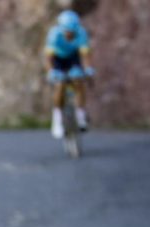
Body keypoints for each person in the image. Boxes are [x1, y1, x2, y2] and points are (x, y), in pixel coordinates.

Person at [45, 9, 94, 139]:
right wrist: (51, 71)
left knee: (79, 81)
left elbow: (85, 54)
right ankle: (57, 119)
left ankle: (80, 114)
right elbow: (49, 57)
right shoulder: (54, 34)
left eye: (72, 32)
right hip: (58, 59)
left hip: (73, 58)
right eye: (67, 31)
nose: (69, 34)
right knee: (60, 84)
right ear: (61, 28)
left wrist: (88, 68)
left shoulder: (81, 33)